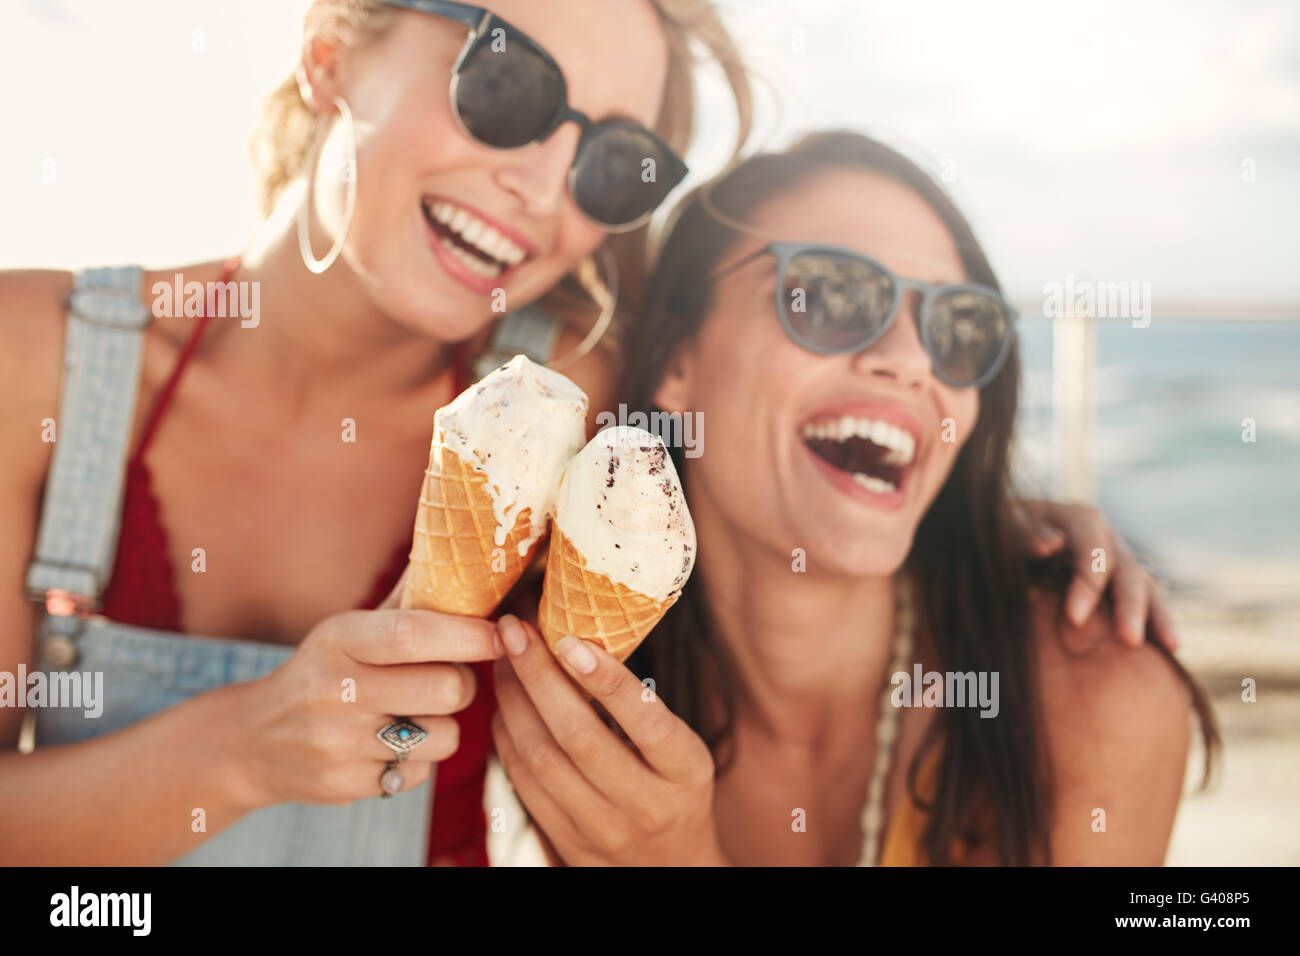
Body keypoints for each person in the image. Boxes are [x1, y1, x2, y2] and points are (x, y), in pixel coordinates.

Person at [0, 0, 752, 865]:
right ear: (329, 56)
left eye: (615, 162)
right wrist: (242, 750)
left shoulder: (593, 426)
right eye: (506, 85)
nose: (543, 190)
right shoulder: (34, 360)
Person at [488, 131, 1219, 866]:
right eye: (831, 295)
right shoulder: (571, 672)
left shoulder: (1095, 700)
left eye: (958, 328)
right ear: (678, 361)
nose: (908, 361)